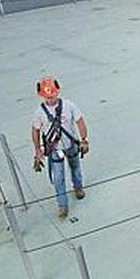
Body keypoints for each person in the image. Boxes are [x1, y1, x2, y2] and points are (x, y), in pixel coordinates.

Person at [31, 77, 89, 219]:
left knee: (75, 167)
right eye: (47, 97)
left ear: (57, 92)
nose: (50, 99)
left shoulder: (69, 105)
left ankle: (78, 186)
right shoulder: (40, 113)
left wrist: (84, 140)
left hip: (70, 144)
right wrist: (37, 149)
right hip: (55, 149)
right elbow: (35, 130)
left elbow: (80, 121)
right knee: (58, 178)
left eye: (52, 96)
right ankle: (62, 205)